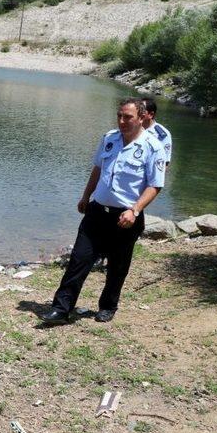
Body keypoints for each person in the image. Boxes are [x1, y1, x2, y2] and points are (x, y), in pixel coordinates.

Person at [39, 98, 167, 325]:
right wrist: (86, 196)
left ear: (141, 117)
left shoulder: (153, 147)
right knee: (79, 259)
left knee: (118, 266)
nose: (122, 121)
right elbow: (98, 169)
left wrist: (135, 210)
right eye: (119, 116)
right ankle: (61, 308)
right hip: (97, 212)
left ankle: (108, 306)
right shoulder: (109, 139)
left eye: (127, 117)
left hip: (125, 217)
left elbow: (155, 185)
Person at [142, 97, 173, 165]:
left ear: (151, 114)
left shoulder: (162, 134)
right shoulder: (132, 129)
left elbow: (164, 163)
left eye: (141, 111)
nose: (137, 113)